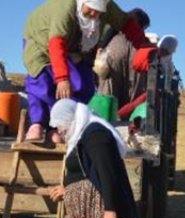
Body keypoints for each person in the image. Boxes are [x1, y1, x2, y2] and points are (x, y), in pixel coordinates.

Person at [22, 0, 156, 142]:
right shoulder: (65, 9)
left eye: (98, 10)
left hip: (76, 45)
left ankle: (58, 128)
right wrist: (62, 78)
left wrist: (144, 46)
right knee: (42, 83)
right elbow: (56, 43)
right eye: (90, 8)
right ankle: (37, 124)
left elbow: (126, 23)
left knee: (82, 85)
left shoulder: (109, 7)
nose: (93, 13)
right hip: (41, 41)